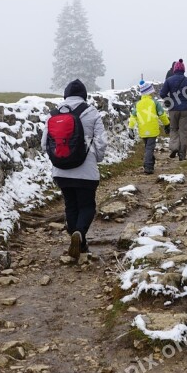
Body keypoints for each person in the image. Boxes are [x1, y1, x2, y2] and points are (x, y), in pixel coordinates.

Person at [41, 79, 106, 259]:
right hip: (86, 171)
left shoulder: (53, 114)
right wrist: (96, 159)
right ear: (84, 95)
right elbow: (101, 141)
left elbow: (43, 143)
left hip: (61, 171)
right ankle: (80, 233)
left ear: (66, 95)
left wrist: (58, 159)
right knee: (87, 206)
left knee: (71, 205)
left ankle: (79, 242)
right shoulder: (92, 112)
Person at [129, 80, 170, 174]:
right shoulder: (154, 103)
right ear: (149, 92)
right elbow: (162, 115)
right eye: (152, 91)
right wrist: (167, 124)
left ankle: (151, 162)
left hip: (142, 129)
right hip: (152, 129)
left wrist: (130, 128)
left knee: (148, 147)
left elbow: (133, 116)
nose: (153, 92)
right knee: (149, 148)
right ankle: (148, 166)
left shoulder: (137, 104)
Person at [160, 60, 187, 161]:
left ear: (174, 69)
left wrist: (168, 100)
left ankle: (174, 147)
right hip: (185, 109)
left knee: (173, 129)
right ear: (184, 70)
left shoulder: (169, 80)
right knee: (184, 131)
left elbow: (162, 93)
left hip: (173, 109)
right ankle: (182, 154)